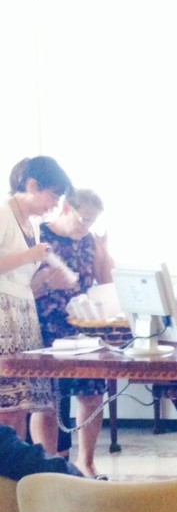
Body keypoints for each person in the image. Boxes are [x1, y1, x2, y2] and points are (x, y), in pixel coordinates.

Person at [32, 189, 113, 477]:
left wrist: (104, 251)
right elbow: (19, 286)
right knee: (47, 402)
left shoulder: (90, 241)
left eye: (93, 221)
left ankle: (86, 463)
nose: (87, 226)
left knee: (92, 395)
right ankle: (48, 469)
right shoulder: (39, 237)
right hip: (45, 328)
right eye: (84, 219)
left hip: (84, 330)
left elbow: (107, 282)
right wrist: (47, 284)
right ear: (66, 207)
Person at [0, 156, 74, 443]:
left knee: (22, 407)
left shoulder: (32, 224)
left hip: (22, 317)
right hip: (4, 320)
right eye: (53, 195)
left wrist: (47, 280)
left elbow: (21, 282)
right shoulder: (3, 214)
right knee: (6, 410)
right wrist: (29, 256)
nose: (55, 205)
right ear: (32, 185)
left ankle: (19, 469)